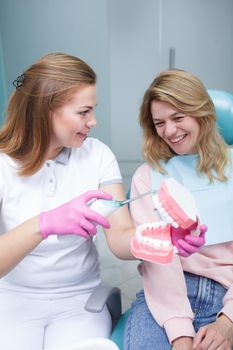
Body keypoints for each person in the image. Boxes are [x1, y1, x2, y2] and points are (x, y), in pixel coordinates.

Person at [0, 53, 204, 350]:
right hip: (12, 300)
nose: (93, 121)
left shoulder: (98, 156)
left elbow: (120, 237)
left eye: (93, 110)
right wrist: (42, 224)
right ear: (45, 109)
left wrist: (160, 238)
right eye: (83, 112)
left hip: (78, 301)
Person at [123, 69, 233, 350]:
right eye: (159, 123)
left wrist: (228, 321)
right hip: (164, 295)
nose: (169, 131)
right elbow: (160, 263)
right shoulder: (147, 177)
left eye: (178, 117)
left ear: (202, 113)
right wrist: (180, 334)